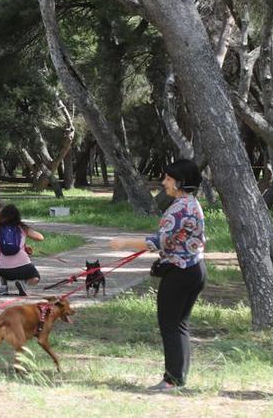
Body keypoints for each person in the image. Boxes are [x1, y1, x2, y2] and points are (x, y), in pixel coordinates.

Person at [108, 159, 207, 392]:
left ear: (180, 182)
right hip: (193, 269)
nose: (164, 183)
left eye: (168, 179)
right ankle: (177, 379)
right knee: (179, 325)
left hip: (180, 273)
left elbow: (159, 241)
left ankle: (172, 380)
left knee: (170, 325)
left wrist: (124, 242)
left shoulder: (182, 207)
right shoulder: (190, 204)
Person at [0, 204, 44, 296]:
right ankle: (24, 283)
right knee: (36, 278)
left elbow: (0, 247)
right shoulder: (22, 228)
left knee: (1, 259)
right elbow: (41, 237)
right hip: (23, 268)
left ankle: (4, 286)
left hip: (3, 271)